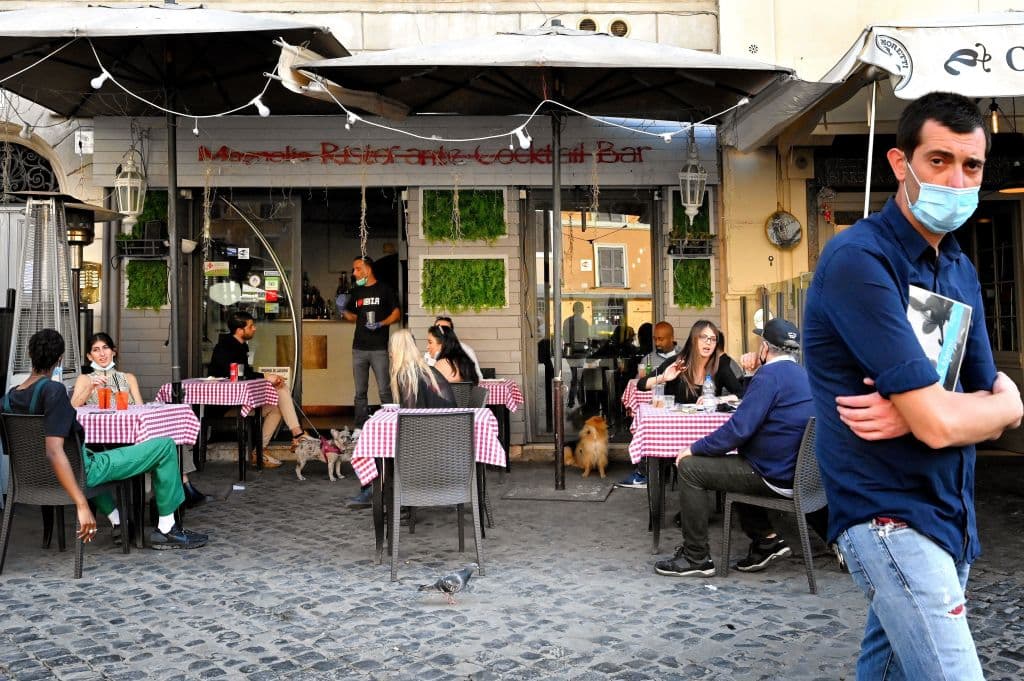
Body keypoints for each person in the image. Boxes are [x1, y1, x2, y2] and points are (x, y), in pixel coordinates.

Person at [803, 92, 1023, 680]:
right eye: (939, 161)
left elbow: (987, 398)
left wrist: (962, 408)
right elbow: (969, 412)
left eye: (970, 166)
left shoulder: (958, 267)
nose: (957, 178)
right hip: (887, 515)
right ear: (901, 164)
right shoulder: (858, 260)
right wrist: (970, 410)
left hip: (951, 513)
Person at [3, 329, 207, 549]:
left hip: (33, 476)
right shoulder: (54, 391)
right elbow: (54, 451)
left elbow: (16, 450)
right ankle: (167, 528)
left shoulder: (8, 399)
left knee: (91, 454)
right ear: (60, 358)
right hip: (82, 470)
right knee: (165, 445)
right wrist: (82, 504)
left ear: (29, 354)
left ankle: (118, 520)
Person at [653, 318, 814, 577]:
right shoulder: (802, 374)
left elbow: (738, 430)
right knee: (733, 466)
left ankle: (696, 558)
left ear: (765, 348)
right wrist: (751, 375)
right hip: (797, 472)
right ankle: (766, 539)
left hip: (771, 473)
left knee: (689, 468)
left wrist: (694, 448)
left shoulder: (770, 376)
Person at [72, 332, 210, 507]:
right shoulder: (85, 379)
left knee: (167, 436)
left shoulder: (128, 378)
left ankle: (178, 487)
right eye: (96, 350)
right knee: (161, 443)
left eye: (105, 348)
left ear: (113, 351)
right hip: (102, 441)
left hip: (131, 436)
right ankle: (180, 489)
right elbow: (73, 407)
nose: (102, 353)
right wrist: (91, 387)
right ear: (89, 356)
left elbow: (140, 409)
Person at [209, 311, 313, 469]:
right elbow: (237, 375)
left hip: (242, 400)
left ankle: (260, 451)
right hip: (226, 405)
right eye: (251, 326)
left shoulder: (240, 345)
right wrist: (266, 377)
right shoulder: (225, 348)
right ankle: (297, 434)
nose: (255, 329)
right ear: (240, 330)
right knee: (280, 387)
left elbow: (245, 374)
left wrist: (267, 377)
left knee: (276, 407)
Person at [617, 320, 680, 489]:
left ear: (672, 338)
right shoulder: (648, 358)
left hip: (678, 408)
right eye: (655, 339)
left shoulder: (684, 356)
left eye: (661, 339)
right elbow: (640, 382)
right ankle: (644, 472)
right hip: (655, 408)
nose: (657, 343)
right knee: (643, 424)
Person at [342, 256, 401, 428]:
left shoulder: (384, 289)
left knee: (384, 389)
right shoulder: (356, 292)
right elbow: (353, 317)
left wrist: (381, 323)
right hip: (358, 348)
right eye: (354, 269)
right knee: (360, 392)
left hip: (379, 348)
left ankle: (392, 426)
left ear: (368, 270)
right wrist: (342, 310)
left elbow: (396, 313)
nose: (354, 273)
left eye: (357, 269)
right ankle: (360, 427)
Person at [639, 320, 744, 403]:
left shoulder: (719, 366)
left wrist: (718, 400)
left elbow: (742, 394)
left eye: (713, 339)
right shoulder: (677, 362)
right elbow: (641, 384)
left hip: (707, 425)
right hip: (676, 425)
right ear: (693, 340)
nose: (708, 342)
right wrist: (664, 377)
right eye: (703, 337)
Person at [390, 329, 457, 408]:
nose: (390, 354)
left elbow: (409, 413)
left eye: (392, 349)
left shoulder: (409, 375)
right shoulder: (424, 370)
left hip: (438, 419)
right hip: (453, 418)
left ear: (398, 351)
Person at [431, 315, 483, 379]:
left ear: (451, 332)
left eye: (446, 329)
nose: (441, 333)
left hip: (460, 388)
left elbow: (478, 376)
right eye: (438, 329)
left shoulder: (466, 350)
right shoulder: (430, 350)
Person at [562, 302, 590, 408]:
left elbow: (564, 336)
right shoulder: (584, 323)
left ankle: (573, 400)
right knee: (577, 377)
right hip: (580, 353)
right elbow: (587, 337)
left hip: (570, 353)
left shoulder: (566, 321)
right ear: (582, 310)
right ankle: (578, 400)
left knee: (575, 375)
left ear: (573, 309)